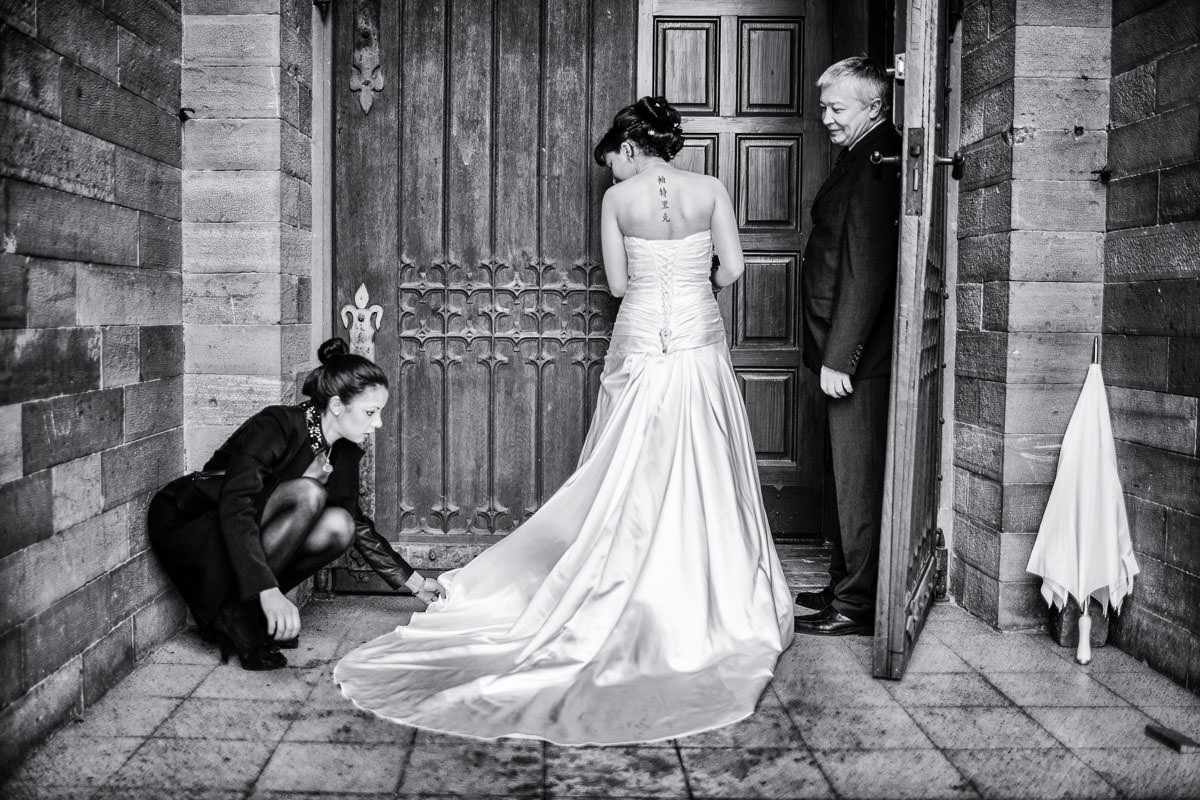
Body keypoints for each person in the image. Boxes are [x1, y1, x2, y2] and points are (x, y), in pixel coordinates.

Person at [334, 96, 794, 745]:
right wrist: (697, 287)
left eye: (614, 161)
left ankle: (622, 582)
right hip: (698, 339)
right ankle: (705, 595)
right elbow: (737, 268)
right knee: (707, 463)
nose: (613, 173)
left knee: (629, 466)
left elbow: (618, 285)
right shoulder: (712, 188)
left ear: (630, 148)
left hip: (642, 340)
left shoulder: (620, 200)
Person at [148, 337, 444, 670]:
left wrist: (415, 584)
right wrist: (266, 589)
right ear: (337, 405)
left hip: (245, 530)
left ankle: (248, 610)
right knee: (309, 494)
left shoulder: (344, 452)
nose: (377, 424)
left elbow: (358, 526)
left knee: (340, 526)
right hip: (196, 520)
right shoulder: (278, 424)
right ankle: (239, 612)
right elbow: (237, 504)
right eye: (370, 412)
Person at [793, 56, 902, 636]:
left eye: (838, 108)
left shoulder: (880, 159)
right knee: (842, 477)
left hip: (855, 358)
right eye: (824, 108)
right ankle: (842, 584)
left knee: (857, 482)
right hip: (836, 350)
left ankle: (857, 605)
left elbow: (867, 267)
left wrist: (841, 357)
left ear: (874, 106)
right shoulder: (860, 154)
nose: (827, 118)